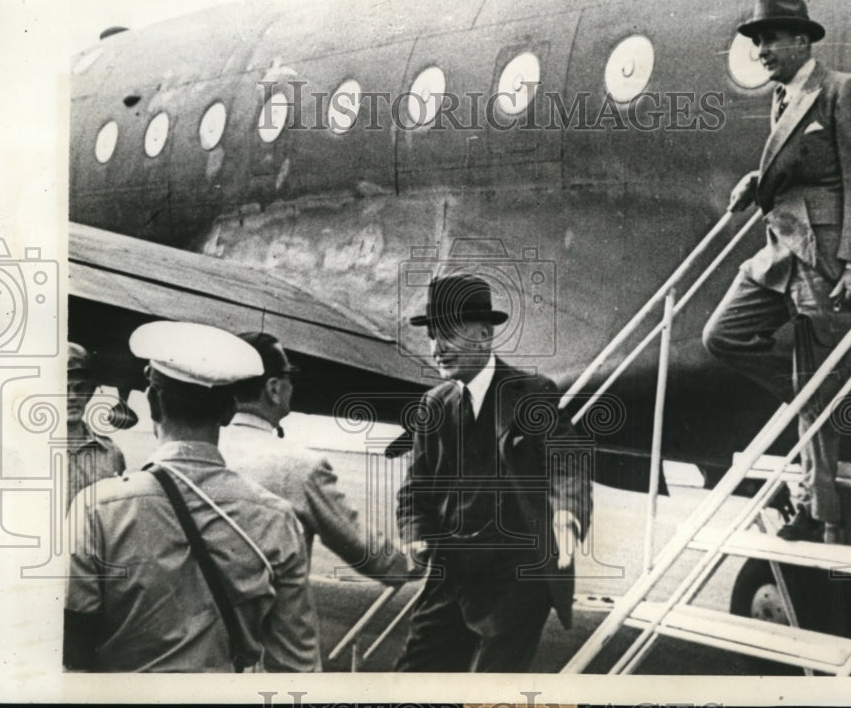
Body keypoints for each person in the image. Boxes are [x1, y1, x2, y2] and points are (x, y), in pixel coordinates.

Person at [702, 0, 851, 544]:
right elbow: (793, 167)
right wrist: (757, 183)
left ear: (801, 41)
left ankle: (818, 511)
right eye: (756, 41)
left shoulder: (840, 91)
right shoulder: (782, 96)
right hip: (781, 246)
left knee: (817, 389)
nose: (760, 50)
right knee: (722, 335)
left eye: (769, 39)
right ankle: (819, 394)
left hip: (823, 253)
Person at [64, 321, 318, 672]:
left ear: (152, 402)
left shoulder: (97, 509)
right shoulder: (278, 519)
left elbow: (72, 651)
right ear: (229, 411)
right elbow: (297, 668)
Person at [395, 273, 592, 672]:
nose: (436, 348)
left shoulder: (531, 393)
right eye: (431, 335)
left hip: (515, 580)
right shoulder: (433, 405)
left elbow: (566, 459)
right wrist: (414, 535)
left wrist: (566, 515)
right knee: (413, 680)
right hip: (452, 575)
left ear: (484, 334)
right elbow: (414, 490)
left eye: (448, 333)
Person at [219, 331, 409, 669]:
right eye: (289, 379)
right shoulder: (300, 467)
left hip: (204, 661)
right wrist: (416, 558)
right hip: (277, 665)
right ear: (274, 388)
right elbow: (373, 556)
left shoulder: (201, 455)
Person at [66, 342, 126, 509]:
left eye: (79, 389)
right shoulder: (30, 451)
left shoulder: (110, 453)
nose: (72, 397)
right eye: (63, 389)